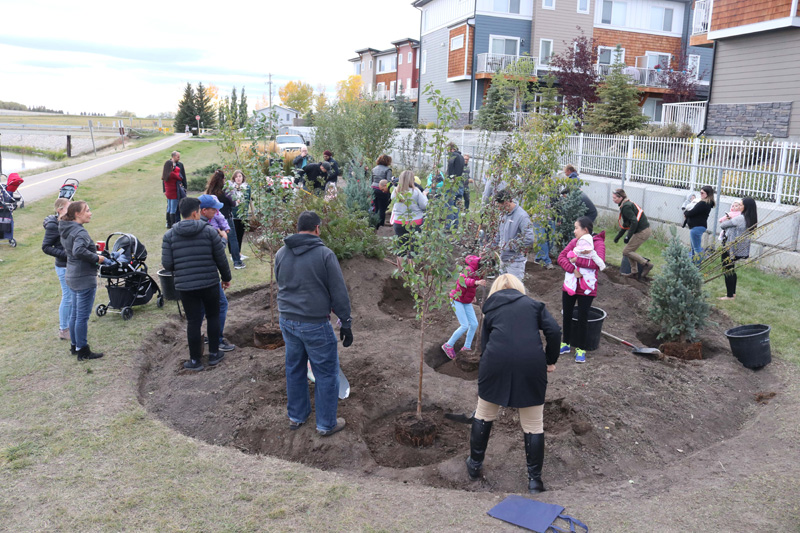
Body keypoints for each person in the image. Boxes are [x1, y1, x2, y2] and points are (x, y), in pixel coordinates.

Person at [465, 274, 561, 494]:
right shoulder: (534, 305)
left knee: (484, 414)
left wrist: (491, 365)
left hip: (495, 363)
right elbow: (554, 331)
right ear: (520, 288)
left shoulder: (489, 309)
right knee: (534, 425)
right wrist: (550, 360)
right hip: (531, 365)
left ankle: (474, 466)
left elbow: (484, 345)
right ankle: (534, 481)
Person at [275, 211, 353, 436]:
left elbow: (281, 282)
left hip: (287, 321)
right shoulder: (324, 255)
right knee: (327, 372)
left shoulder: (281, 253)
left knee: (294, 367)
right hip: (315, 324)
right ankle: (326, 424)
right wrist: (345, 322)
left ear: (298, 228)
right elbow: (338, 292)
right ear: (317, 229)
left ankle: (297, 416)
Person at [162, 197, 232, 370]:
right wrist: (226, 278)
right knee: (213, 316)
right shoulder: (209, 232)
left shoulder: (169, 235)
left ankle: (195, 361)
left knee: (193, 321)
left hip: (186, 287)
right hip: (209, 283)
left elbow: (168, 264)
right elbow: (221, 259)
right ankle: (214, 354)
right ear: (195, 213)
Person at [58, 201, 107, 361]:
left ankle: (75, 346)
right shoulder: (79, 232)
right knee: (81, 317)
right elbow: (78, 250)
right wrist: (97, 258)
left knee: (74, 314)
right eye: (87, 210)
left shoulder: (66, 228)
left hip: (71, 275)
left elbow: (75, 250)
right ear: (77, 214)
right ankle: (83, 351)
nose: (90, 213)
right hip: (83, 278)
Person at [557, 217, 606, 364]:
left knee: (583, 317)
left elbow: (597, 263)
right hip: (570, 285)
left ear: (585, 230)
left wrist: (576, 261)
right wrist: (573, 270)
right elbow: (561, 257)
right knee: (567, 313)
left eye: (576, 228)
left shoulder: (598, 244)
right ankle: (565, 343)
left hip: (586, 288)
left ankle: (581, 348)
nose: (574, 231)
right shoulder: (574, 242)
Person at [198, 195, 236, 353]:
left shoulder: (190, 225)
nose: (217, 211)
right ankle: (217, 340)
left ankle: (201, 339)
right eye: (214, 209)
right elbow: (217, 253)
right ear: (204, 210)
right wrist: (224, 239)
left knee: (199, 308)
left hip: (189, 279)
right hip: (207, 276)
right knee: (220, 305)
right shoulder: (207, 229)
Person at [442, 255, 486, 359]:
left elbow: (470, 287)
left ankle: (466, 347)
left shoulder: (479, 272)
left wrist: (472, 295)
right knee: (464, 325)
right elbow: (462, 281)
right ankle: (448, 345)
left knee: (474, 324)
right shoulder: (469, 269)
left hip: (466, 300)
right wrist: (476, 282)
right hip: (456, 299)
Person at [42, 198, 72, 341]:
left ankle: (70, 325)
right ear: (60, 209)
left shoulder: (68, 221)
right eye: (68, 207)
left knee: (73, 297)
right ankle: (64, 329)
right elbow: (46, 247)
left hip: (73, 265)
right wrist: (65, 255)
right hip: (63, 266)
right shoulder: (53, 226)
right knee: (68, 297)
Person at [718, 197, 758, 300]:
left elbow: (723, 225)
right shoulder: (750, 218)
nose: (739, 207)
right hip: (739, 249)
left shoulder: (740, 218)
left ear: (746, 207)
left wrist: (728, 219)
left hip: (730, 248)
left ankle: (729, 295)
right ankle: (733, 293)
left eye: (741, 205)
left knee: (727, 270)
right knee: (731, 269)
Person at [206, 169, 245, 269]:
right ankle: (237, 262)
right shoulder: (226, 190)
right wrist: (238, 201)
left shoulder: (210, 190)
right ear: (222, 179)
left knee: (215, 240)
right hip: (226, 217)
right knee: (232, 239)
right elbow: (234, 203)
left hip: (213, 217)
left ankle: (214, 262)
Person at [493, 189, 535, 281]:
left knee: (514, 292)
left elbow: (529, 238)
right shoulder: (503, 215)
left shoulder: (522, 216)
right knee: (502, 290)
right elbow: (499, 234)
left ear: (507, 202)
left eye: (500, 206)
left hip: (515, 263)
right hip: (503, 261)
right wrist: (490, 247)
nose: (499, 209)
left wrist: (510, 246)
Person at [612, 189, 654, 279]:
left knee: (626, 251)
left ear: (621, 198)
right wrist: (618, 236)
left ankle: (646, 264)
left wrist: (628, 236)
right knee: (630, 250)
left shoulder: (626, 207)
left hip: (642, 232)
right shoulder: (626, 204)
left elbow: (634, 222)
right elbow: (626, 223)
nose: (613, 200)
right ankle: (634, 273)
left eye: (615, 198)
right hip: (643, 230)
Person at [390, 170, 428, 264]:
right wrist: (425, 195)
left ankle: (401, 274)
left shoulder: (395, 192)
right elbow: (425, 206)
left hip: (399, 222)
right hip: (415, 222)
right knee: (413, 249)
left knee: (401, 248)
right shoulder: (416, 191)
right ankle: (412, 274)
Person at [683, 185, 715, 265]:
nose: (700, 194)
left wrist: (685, 213)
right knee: (694, 248)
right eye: (700, 192)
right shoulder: (706, 203)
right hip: (697, 227)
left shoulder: (703, 203)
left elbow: (692, 212)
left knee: (697, 249)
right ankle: (692, 265)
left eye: (702, 193)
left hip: (697, 227)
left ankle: (697, 266)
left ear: (707, 194)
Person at [228, 170, 251, 258]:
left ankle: (239, 252)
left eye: (240, 176)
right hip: (233, 214)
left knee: (240, 234)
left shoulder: (247, 187)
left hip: (243, 214)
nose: (238, 178)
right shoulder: (230, 188)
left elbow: (247, 200)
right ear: (234, 178)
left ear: (243, 177)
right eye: (236, 176)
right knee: (233, 234)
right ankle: (232, 253)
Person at [162, 151, 186, 227]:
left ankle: (169, 223)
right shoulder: (172, 174)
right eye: (178, 157)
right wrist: (176, 169)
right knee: (173, 209)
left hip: (169, 193)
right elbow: (180, 177)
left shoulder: (165, 174)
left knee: (169, 207)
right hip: (174, 193)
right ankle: (173, 224)